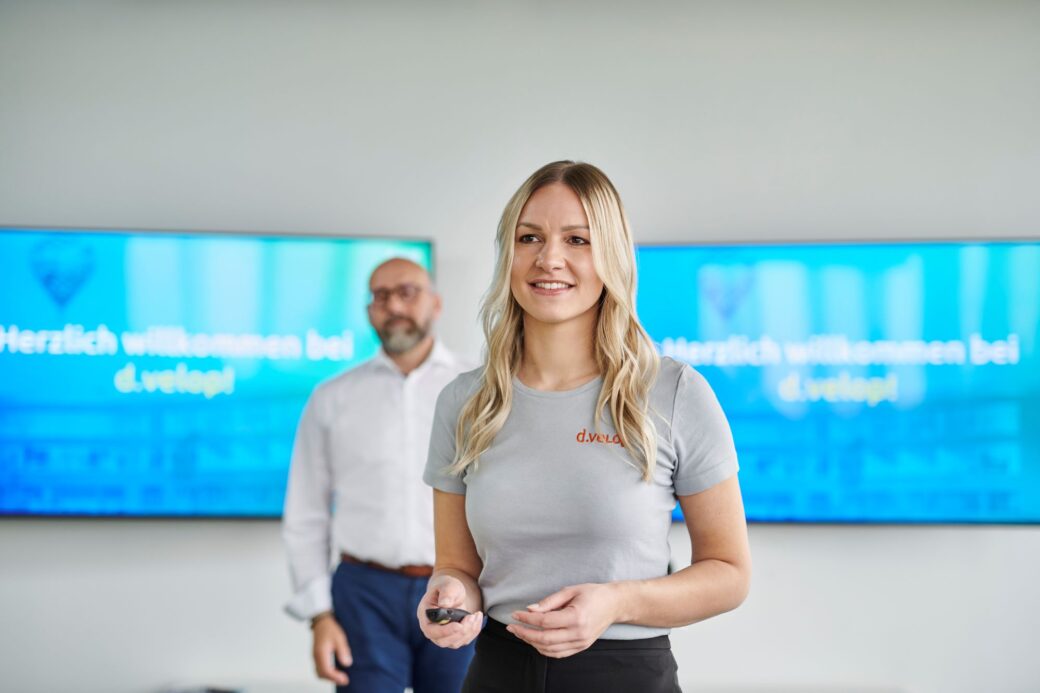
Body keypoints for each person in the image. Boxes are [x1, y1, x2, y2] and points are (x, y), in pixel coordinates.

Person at [417, 161, 751, 692]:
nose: (549, 258)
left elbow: (729, 573)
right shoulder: (465, 401)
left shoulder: (674, 392)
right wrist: (451, 595)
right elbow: (457, 566)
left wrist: (617, 602)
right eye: (530, 237)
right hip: (498, 673)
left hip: (626, 675)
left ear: (611, 256)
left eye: (577, 239)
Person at [283, 257, 475, 692]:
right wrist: (319, 616)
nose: (394, 306)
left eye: (407, 292)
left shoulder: (477, 388)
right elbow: (306, 513)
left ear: (436, 303)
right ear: (369, 310)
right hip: (363, 593)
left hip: (459, 588)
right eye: (381, 296)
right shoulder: (332, 398)